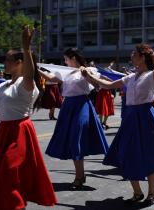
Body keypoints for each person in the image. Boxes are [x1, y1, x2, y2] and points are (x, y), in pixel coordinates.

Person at [81, 25, 154, 206]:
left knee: (148, 154)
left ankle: (151, 192)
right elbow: (108, 85)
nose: (131, 56)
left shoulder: (151, 76)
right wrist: (89, 78)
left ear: (142, 57)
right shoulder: (131, 77)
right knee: (128, 153)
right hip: (131, 117)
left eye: (133, 53)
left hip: (146, 116)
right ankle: (137, 192)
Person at [0, 26, 57, 210]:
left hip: (20, 132)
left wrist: (26, 46)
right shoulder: (4, 85)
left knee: (9, 170)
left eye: (7, 60)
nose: (4, 63)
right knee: (6, 176)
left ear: (20, 62)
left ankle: (16, 206)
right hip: (3, 132)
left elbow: (30, 74)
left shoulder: (26, 84)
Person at [39, 48, 109, 189]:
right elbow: (51, 78)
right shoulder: (64, 71)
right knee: (72, 139)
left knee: (77, 136)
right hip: (68, 106)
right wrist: (36, 68)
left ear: (73, 58)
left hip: (82, 104)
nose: (64, 61)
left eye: (66, 58)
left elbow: (97, 86)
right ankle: (80, 175)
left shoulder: (88, 69)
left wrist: (87, 75)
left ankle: (79, 176)